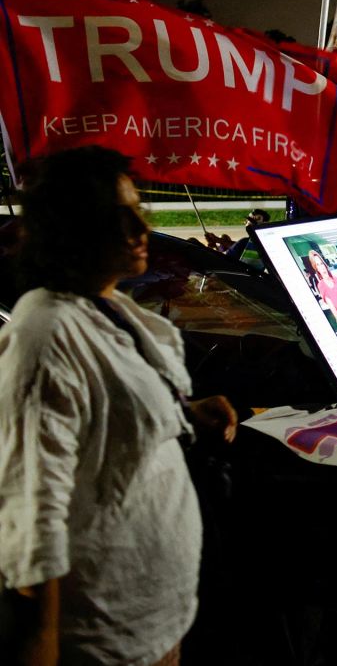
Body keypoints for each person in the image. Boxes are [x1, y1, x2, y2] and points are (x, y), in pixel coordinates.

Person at [0, 146, 237, 666]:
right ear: (68, 228)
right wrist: (39, 644)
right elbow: (34, 513)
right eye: (115, 215)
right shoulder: (46, 333)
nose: (139, 227)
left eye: (138, 210)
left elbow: (109, 411)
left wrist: (188, 409)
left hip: (153, 618)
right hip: (103, 637)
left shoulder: (108, 304)